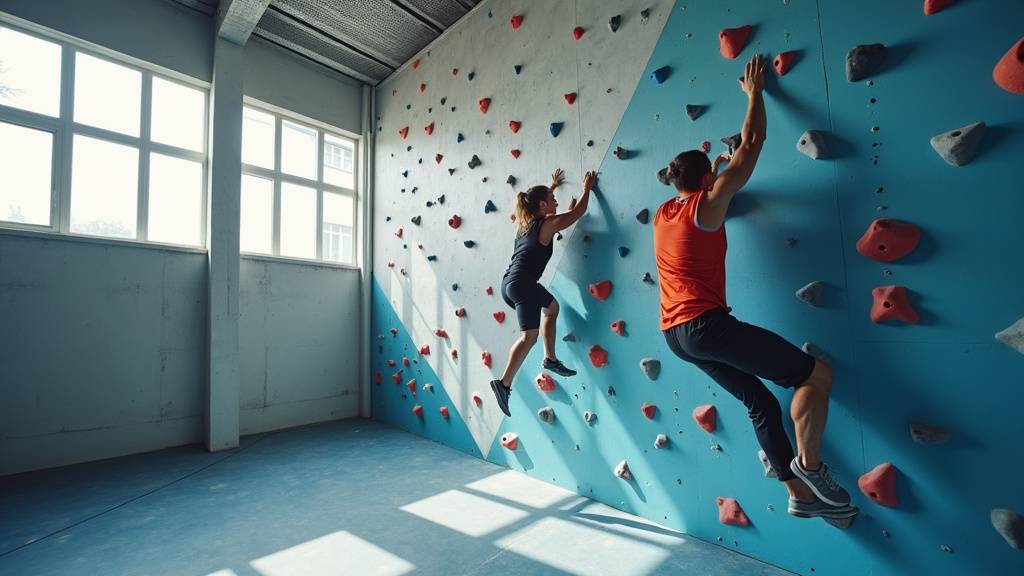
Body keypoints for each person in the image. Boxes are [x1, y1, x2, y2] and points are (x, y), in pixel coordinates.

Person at [653, 54, 857, 520]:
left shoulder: (667, 214)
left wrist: (717, 173)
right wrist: (755, 94)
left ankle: (797, 495)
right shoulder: (707, 204)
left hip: (676, 337)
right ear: (708, 182)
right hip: (706, 327)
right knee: (816, 376)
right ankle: (810, 469)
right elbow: (754, 142)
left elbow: (709, 189)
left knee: (759, 400)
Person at [490, 168, 598, 417]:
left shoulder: (526, 224)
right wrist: (587, 189)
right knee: (529, 337)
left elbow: (543, 207)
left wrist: (552, 186)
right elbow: (577, 213)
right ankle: (503, 384)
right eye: (552, 200)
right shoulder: (547, 224)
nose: (556, 202)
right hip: (523, 284)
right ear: (542, 205)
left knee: (552, 308)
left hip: (510, 283)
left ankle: (550, 359)